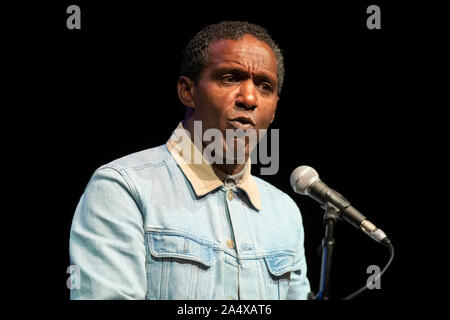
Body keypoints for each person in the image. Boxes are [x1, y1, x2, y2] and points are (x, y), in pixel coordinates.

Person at [69, 21, 310, 300]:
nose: (249, 97)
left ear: (275, 108)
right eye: (230, 77)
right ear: (187, 91)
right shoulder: (123, 188)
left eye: (265, 86)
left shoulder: (285, 213)